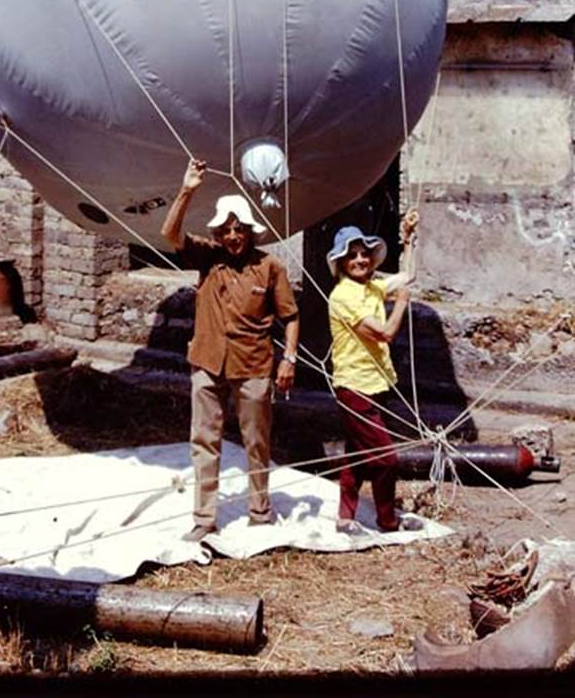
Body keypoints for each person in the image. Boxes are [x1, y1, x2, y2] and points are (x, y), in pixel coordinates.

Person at [161, 157, 299, 543]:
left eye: (239, 229)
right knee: (204, 440)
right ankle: (204, 518)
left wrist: (289, 359)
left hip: (253, 365)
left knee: (256, 441)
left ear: (250, 232)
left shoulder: (270, 267)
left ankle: (260, 512)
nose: (233, 236)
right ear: (218, 234)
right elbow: (170, 233)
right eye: (226, 230)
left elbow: (291, 316)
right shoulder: (208, 258)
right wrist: (187, 190)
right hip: (207, 362)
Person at [326, 210, 421, 533]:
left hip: (375, 383)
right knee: (385, 459)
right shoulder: (343, 296)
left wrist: (408, 239)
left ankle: (345, 517)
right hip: (354, 387)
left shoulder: (373, 286)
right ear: (341, 263)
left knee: (355, 454)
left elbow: (407, 277)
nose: (360, 260)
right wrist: (402, 304)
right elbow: (384, 333)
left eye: (364, 254)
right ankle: (387, 519)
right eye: (351, 256)